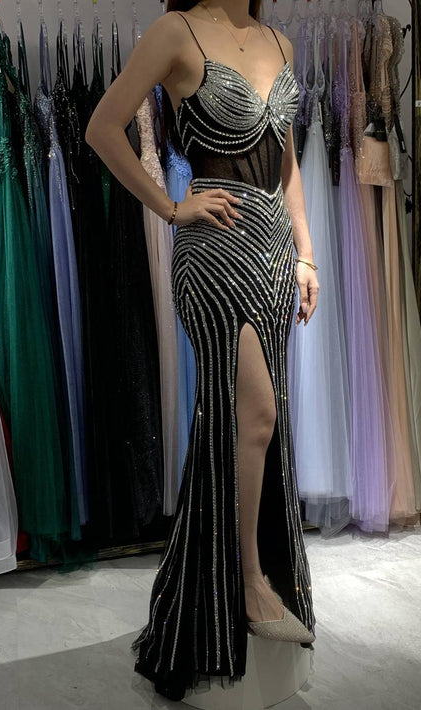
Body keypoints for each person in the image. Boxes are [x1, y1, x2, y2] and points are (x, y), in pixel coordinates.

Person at [86, 0, 318, 701]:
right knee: (254, 415)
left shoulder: (278, 40)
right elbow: (102, 127)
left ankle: (213, 588)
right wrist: (169, 205)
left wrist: (307, 254)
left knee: (249, 420)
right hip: (214, 247)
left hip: (274, 248)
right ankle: (244, 581)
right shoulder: (175, 31)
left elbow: (286, 163)